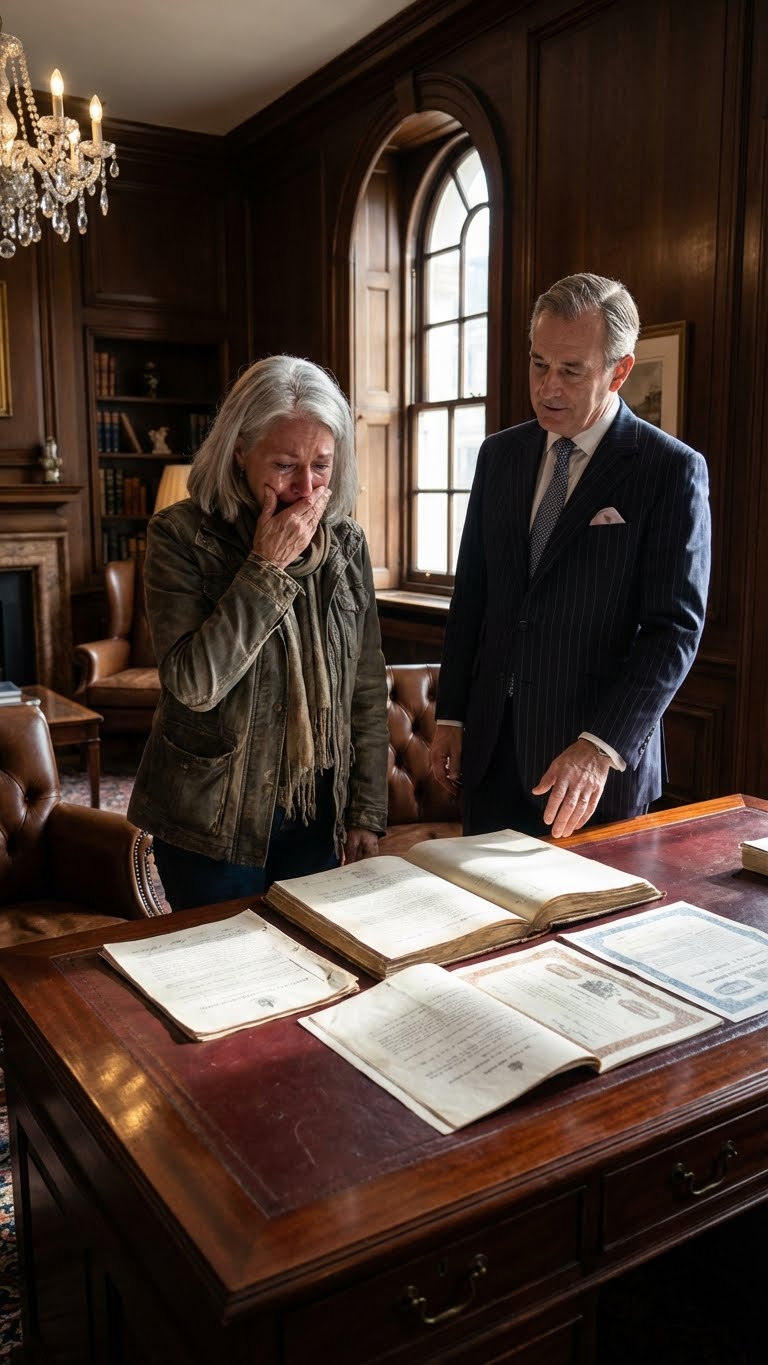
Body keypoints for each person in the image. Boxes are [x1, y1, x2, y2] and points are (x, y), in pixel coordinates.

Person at [431, 272, 711, 840]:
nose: (548, 388)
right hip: (490, 758)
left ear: (621, 370)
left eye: (571, 370)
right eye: (538, 364)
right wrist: (453, 714)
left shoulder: (670, 471)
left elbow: (673, 631)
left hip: (589, 773)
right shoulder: (499, 457)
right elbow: (473, 598)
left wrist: (599, 746)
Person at [128, 355, 389, 910]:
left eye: (321, 465)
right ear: (240, 451)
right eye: (285, 464)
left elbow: (365, 684)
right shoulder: (179, 537)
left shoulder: (348, 545)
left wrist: (366, 809)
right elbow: (194, 683)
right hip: (213, 819)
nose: (304, 487)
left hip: (316, 811)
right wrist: (265, 570)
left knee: (315, 972)